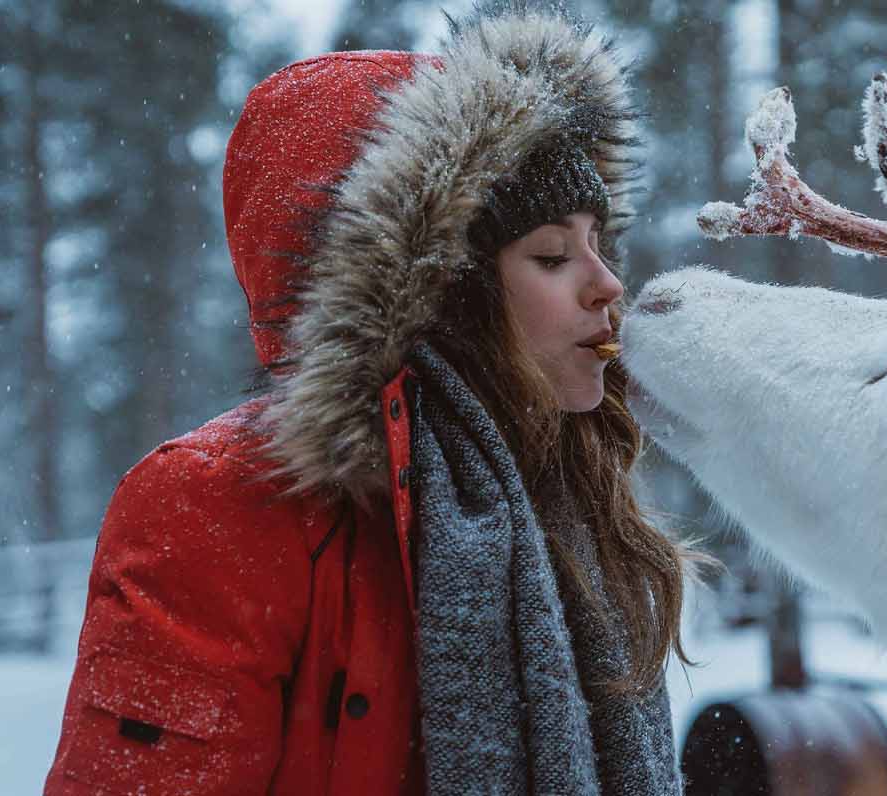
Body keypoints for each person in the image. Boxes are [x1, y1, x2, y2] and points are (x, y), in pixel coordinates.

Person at [44, 6, 698, 794]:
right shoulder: (216, 504)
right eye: (553, 256)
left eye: (600, 242)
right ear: (443, 300)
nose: (609, 284)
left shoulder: (568, 503)